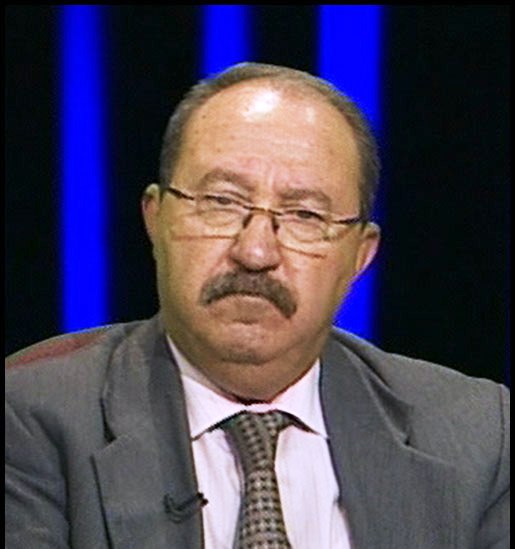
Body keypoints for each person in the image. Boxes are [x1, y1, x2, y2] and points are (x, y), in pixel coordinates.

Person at [5, 62, 509, 549]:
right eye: (221, 202)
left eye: (305, 215)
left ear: (359, 256)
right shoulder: (32, 419)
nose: (256, 252)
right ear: (156, 220)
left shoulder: (480, 438)